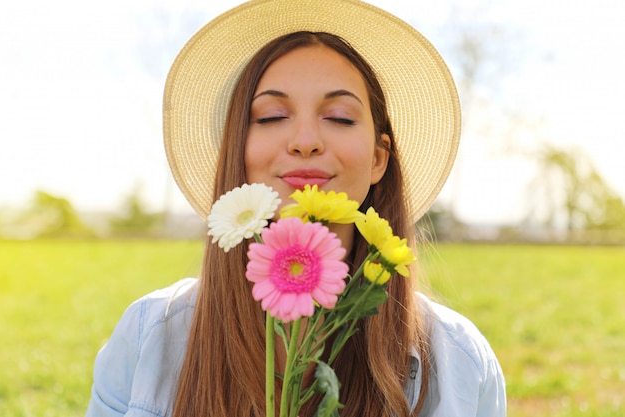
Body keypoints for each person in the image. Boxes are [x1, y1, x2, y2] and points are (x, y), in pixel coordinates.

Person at [86, 1, 506, 416]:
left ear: (379, 159)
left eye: (340, 117)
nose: (305, 140)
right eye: (271, 116)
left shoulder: (462, 363)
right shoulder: (148, 339)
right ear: (238, 152)